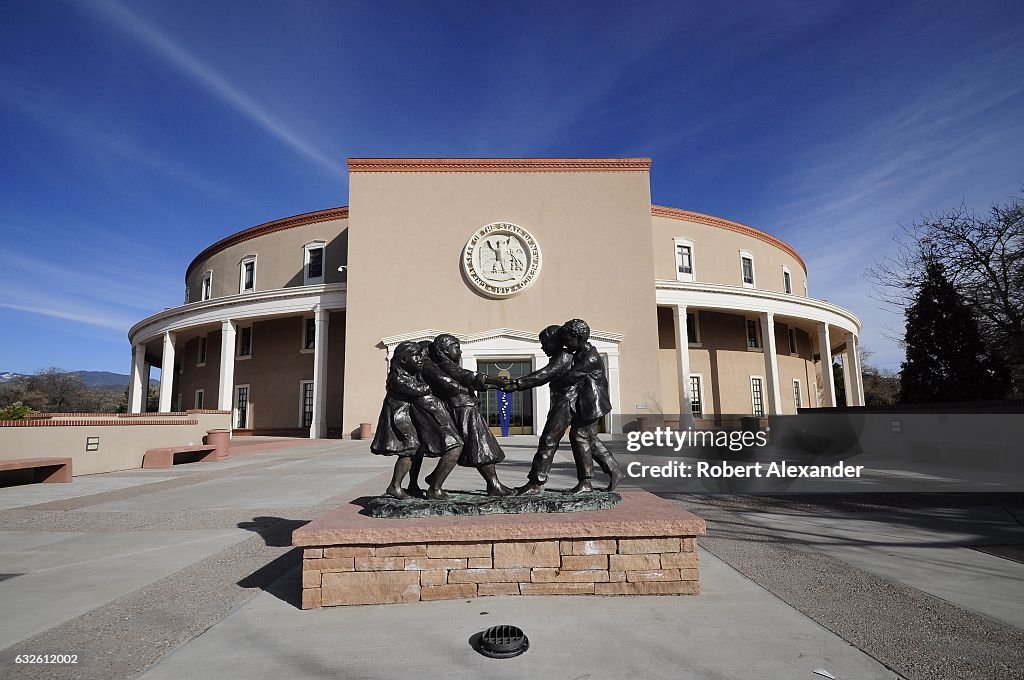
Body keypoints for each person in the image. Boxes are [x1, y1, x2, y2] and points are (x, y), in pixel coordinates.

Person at [511, 319, 622, 494]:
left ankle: (546, 482)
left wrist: (519, 384)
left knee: (565, 438)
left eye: (546, 343)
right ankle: (612, 470)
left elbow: (564, 376)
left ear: (578, 338)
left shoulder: (585, 357)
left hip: (588, 404)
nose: (566, 344)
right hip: (582, 403)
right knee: (588, 440)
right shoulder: (575, 353)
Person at [421, 334, 515, 496]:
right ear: (444, 350)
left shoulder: (445, 366)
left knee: (479, 448)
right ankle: (493, 485)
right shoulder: (447, 366)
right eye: (456, 347)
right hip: (464, 410)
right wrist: (496, 381)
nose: (460, 351)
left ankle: (436, 479)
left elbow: (466, 383)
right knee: (482, 447)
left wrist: (493, 387)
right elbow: (468, 376)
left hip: (465, 407)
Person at [370, 341, 462, 499]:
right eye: (416, 356)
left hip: (409, 417)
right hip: (400, 420)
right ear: (403, 360)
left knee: (416, 450)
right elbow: (417, 390)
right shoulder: (396, 378)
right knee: (409, 450)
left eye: (421, 355)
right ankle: (395, 486)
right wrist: (432, 386)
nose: (421, 359)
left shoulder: (411, 375)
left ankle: (412, 485)